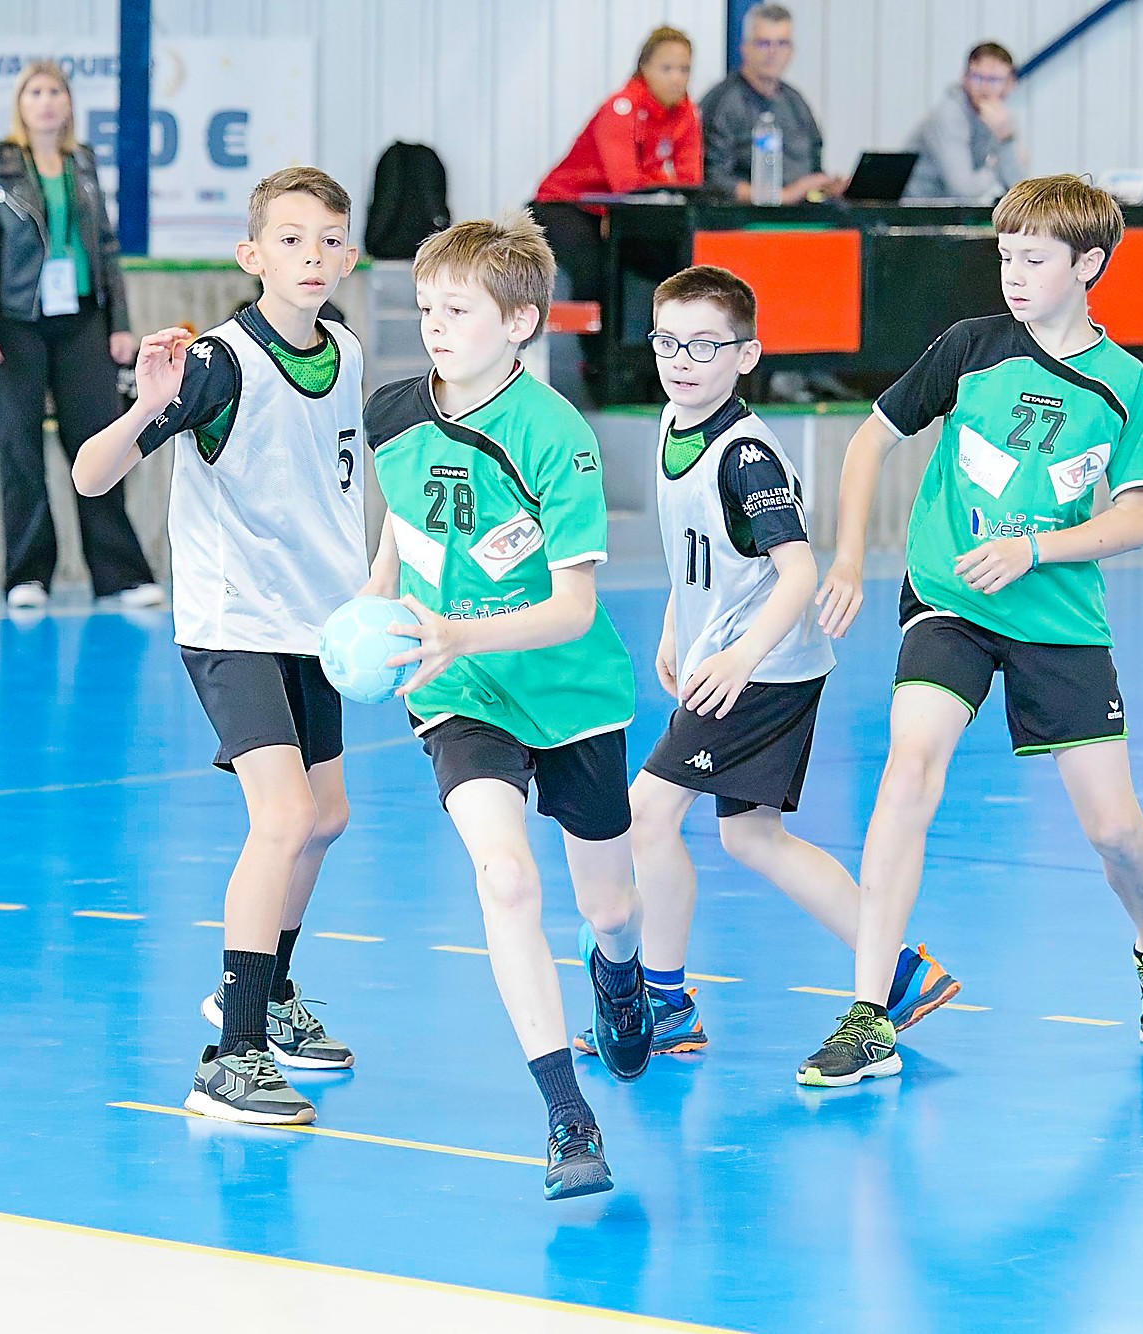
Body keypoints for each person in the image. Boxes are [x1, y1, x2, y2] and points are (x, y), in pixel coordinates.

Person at [799, 175, 1143, 1088]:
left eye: (1034, 259)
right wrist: (850, 557)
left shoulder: (1123, 382)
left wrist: (1035, 549)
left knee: (1114, 831)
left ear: (1088, 265)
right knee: (909, 770)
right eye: (1005, 256)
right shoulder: (970, 348)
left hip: (1057, 617)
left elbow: (1136, 516)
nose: (1013, 275)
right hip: (951, 600)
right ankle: (869, 1010)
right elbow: (869, 440)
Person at [582, 264, 960, 1061]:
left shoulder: (744, 456)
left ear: (747, 356)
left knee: (646, 814)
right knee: (751, 836)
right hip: (738, 656)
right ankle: (899, 971)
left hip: (763, 668)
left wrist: (740, 656)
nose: (683, 360)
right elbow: (704, 553)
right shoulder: (673, 421)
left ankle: (665, 1002)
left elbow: (796, 571)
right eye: (668, 342)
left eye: (705, 345)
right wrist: (677, 626)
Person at [363, 213, 651, 1201]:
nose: (433, 327)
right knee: (506, 878)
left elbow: (572, 608)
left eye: (457, 310)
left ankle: (619, 972)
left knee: (611, 905)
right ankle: (567, 1113)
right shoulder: (395, 412)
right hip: (459, 690)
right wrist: (375, 601)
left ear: (520, 321)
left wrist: (459, 630)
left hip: (568, 691)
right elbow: (403, 524)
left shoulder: (555, 436)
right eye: (426, 308)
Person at [72, 167, 367, 1127]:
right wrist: (143, 405)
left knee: (326, 817)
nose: (312, 255)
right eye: (291, 239)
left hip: (316, 624)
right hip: (234, 623)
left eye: (329, 240)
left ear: (349, 257)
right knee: (283, 816)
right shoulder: (218, 363)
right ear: (252, 255)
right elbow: (89, 475)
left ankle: (269, 995)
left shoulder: (348, 352)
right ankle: (230, 1059)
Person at [0, 59, 161, 616]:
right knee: (19, 452)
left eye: (55, 92)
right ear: (20, 103)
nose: (46, 102)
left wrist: (120, 323)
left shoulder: (82, 162)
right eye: (35, 92)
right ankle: (28, 575)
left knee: (101, 444)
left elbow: (107, 248)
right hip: (13, 325)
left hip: (82, 323)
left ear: (69, 103)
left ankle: (119, 575)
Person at [531, 25, 701, 386]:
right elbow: (625, 182)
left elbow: (690, 181)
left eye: (684, 69)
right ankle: (598, 368)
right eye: (666, 68)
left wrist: (659, 183)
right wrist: (662, 180)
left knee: (679, 261)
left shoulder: (686, 113)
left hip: (620, 213)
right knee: (596, 269)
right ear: (644, 68)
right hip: (566, 205)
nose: (676, 78)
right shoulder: (621, 107)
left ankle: (665, 364)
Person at [697, 4, 845, 205]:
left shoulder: (796, 103)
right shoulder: (723, 103)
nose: (773, 52)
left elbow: (815, 167)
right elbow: (711, 180)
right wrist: (782, 196)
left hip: (804, 214)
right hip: (744, 217)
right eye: (764, 43)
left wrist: (827, 186)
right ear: (745, 48)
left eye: (782, 44)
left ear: (792, 50)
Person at [902, 42, 1028, 203]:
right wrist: (996, 164)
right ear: (964, 78)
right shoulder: (949, 115)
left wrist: (1005, 139)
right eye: (977, 77)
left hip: (950, 209)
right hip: (916, 210)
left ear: (1010, 83)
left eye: (994, 80)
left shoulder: (1001, 118)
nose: (985, 87)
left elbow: (1018, 191)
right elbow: (963, 191)